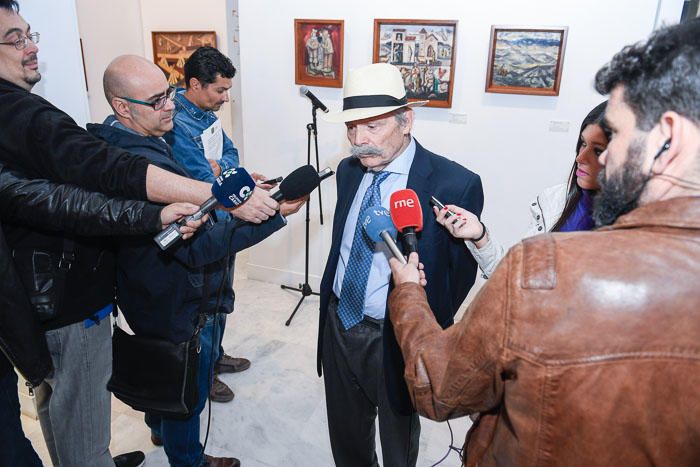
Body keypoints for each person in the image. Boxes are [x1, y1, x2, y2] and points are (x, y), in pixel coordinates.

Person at [388, 18, 700, 466]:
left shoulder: (546, 267)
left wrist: (409, 295)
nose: (602, 156)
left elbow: (438, 386)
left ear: (669, 137)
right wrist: (481, 236)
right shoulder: (555, 221)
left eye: (617, 136)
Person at [0, 2, 276, 466]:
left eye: (30, 35)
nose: (171, 106)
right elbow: (194, 237)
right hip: (136, 301)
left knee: (127, 392)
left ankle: (155, 435)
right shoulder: (116, 154)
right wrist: (253, 208)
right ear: (122, 109)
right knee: (176, 390)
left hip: (109, 298)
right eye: (14, 38)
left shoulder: (151, 135)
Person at [89, 54, 305, 467]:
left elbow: (226, 160)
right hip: (172, 293)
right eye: (156, 101)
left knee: (163, 372)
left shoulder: (128, 140)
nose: (170, 105)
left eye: (168, 93)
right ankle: (188, 458)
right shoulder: (138, 163)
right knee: (186, 384)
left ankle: (159, 426)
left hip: (148, 287)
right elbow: (200, 245)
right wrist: (273, 213)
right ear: (121, 108)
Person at [318, 62, 484, 466]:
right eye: (351, 127)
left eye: (372, 126)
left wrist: (424, 329)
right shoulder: (348, 172)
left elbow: (457, 277)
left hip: (397, 335)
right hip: (340, 322)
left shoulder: (454, 184)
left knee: (397, 441)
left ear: (406, 120)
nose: (359, 140)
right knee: (347, 437)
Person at [0, 161, 203, 467]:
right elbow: (72, 206)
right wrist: (154, 215)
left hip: (37, 310)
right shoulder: (29, 163)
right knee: (86, 440)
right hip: (72, 313)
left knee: (57, 407)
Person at [439, 102, 610, 278]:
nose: (580, 157)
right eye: (583, 144)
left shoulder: (631, 223)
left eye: (597, 150)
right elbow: (515, 276)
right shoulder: (554, 201)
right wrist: (479, 236)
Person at [169, 46, 249, 403]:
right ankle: (204, 372)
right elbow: (201, 176)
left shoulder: (208, 113)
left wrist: (220, 167)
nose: (226, 98)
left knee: (220, 297)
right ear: (196, 84)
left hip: (221, 220)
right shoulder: (174, 122)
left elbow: (230, 155)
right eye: (220, 90)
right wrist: (217, 170)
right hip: (199, 228)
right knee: (204, 305)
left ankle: (215, 357)